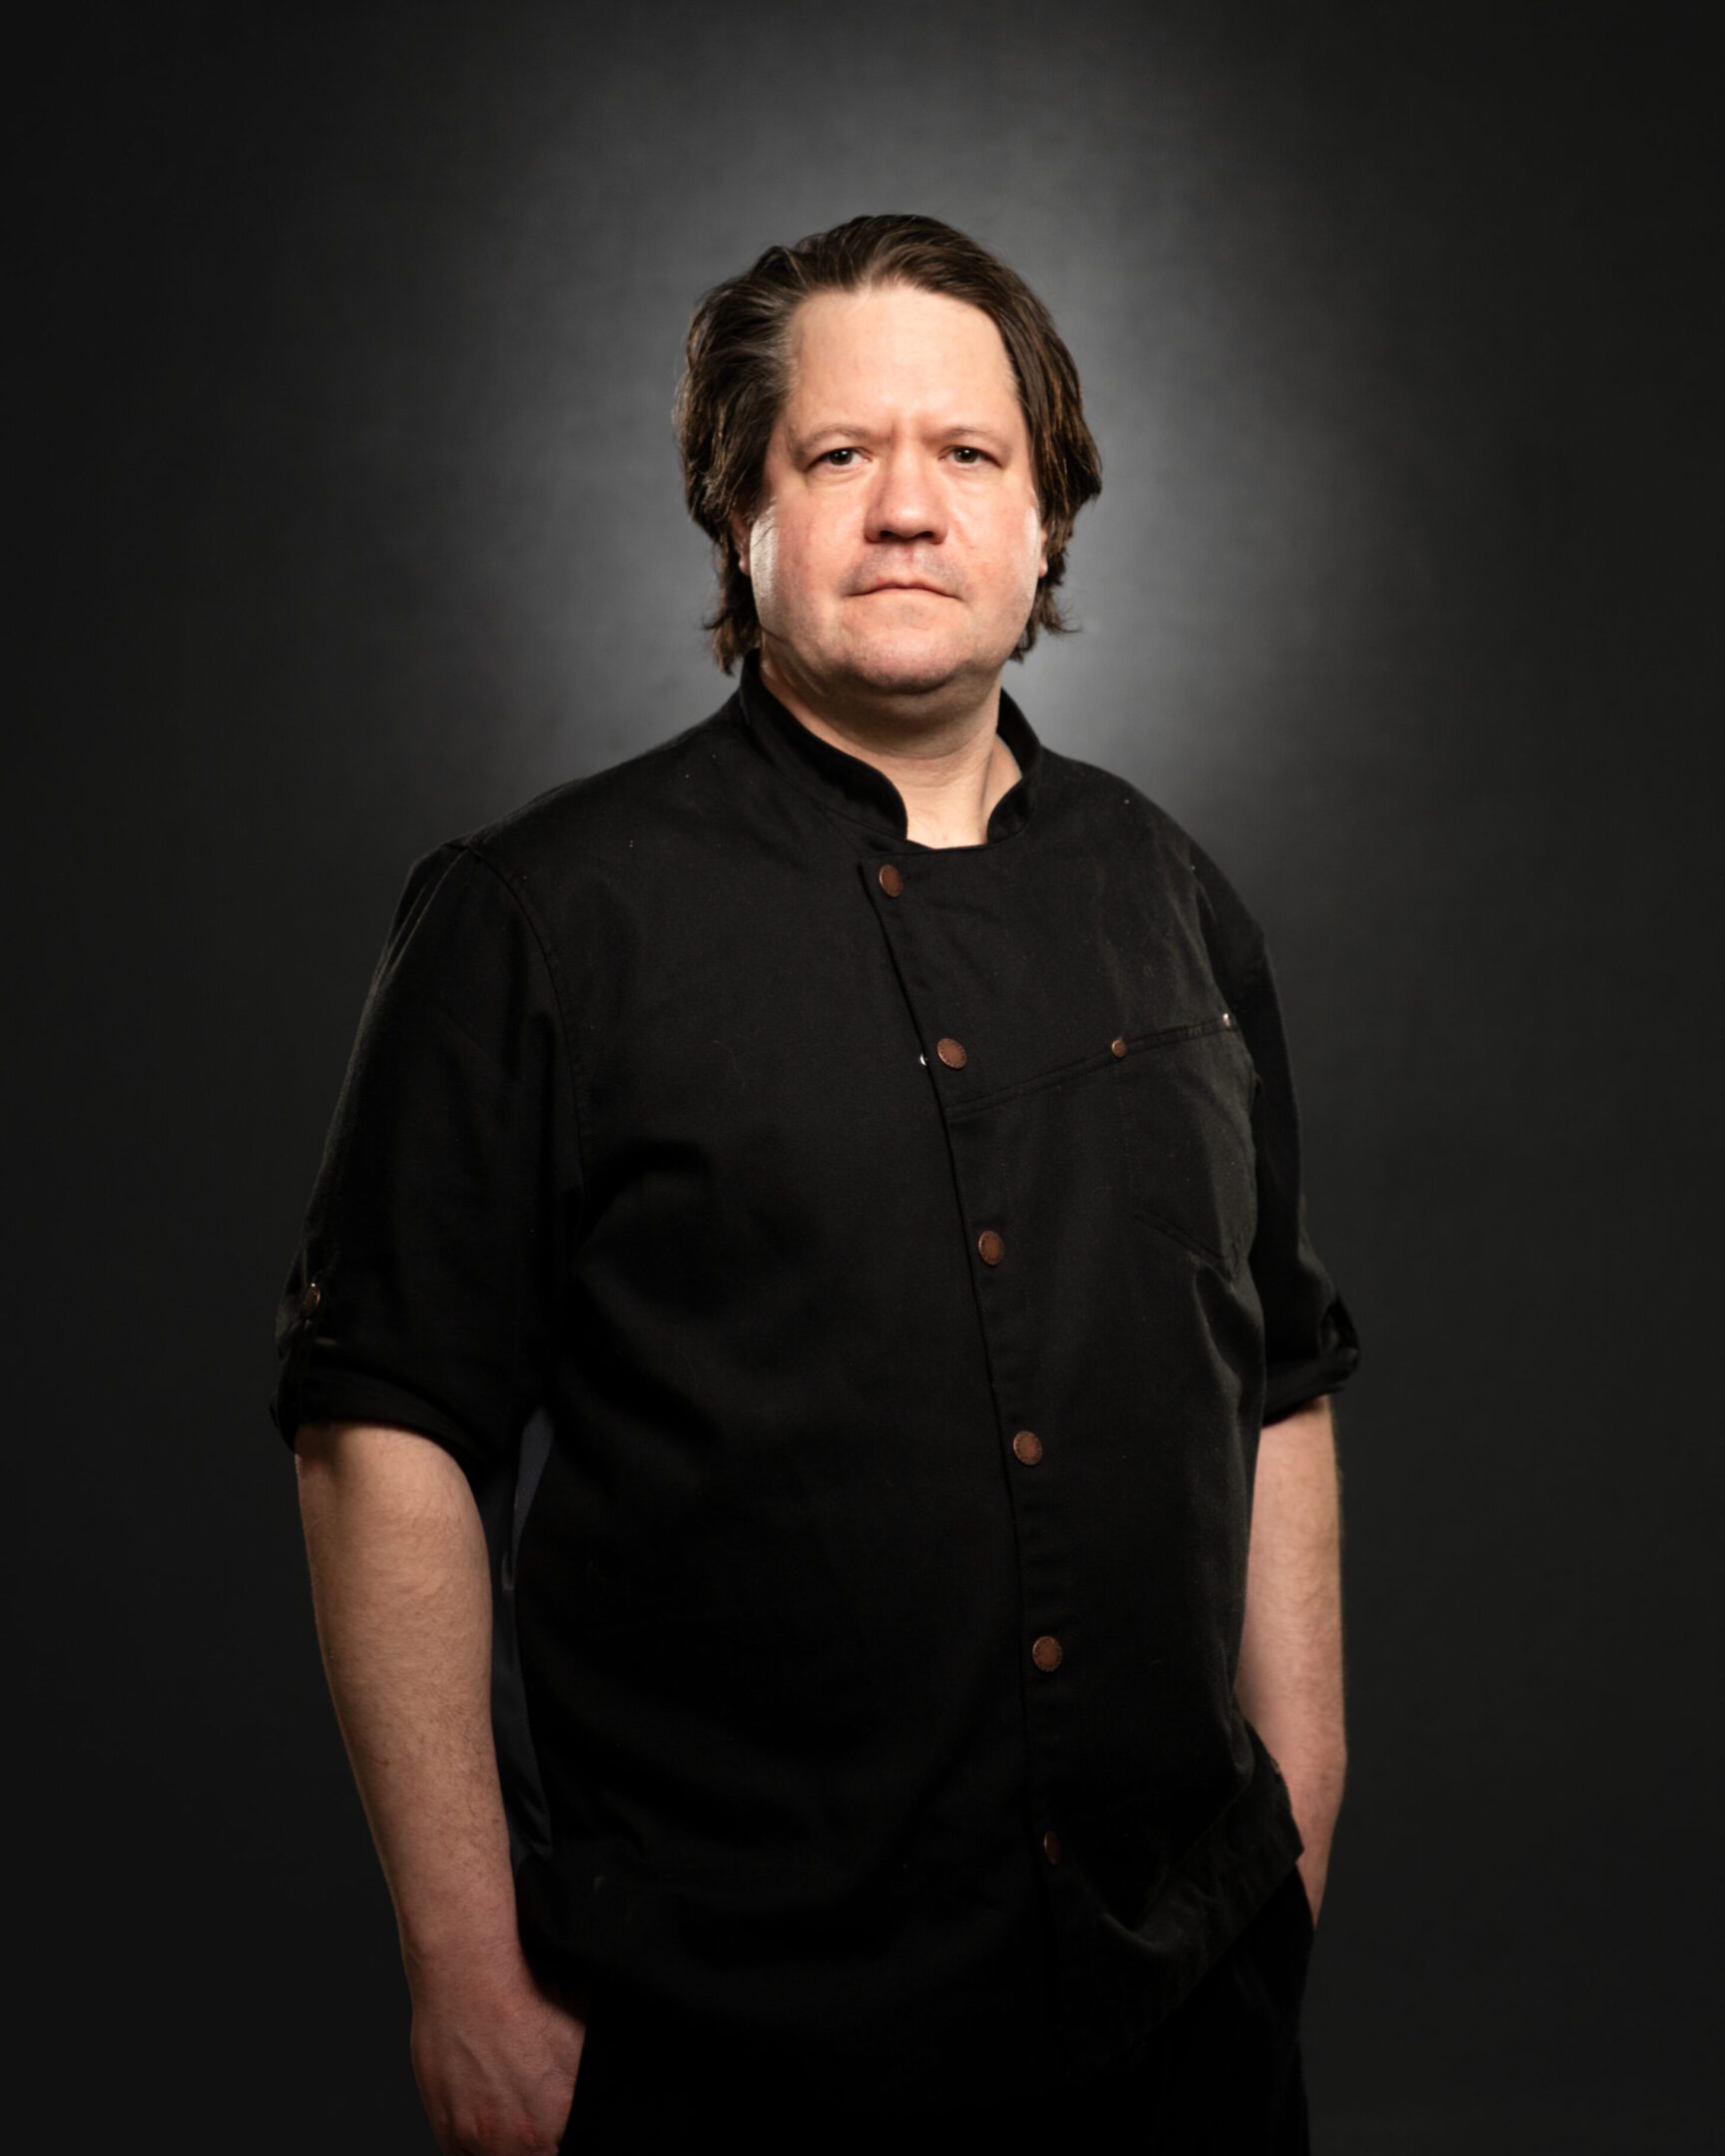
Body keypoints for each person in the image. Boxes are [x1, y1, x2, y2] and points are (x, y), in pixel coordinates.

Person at [271, 212, 1360, 2153]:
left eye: (970, 456)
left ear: (1049, 520)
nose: (909, 509)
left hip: (1182, 1997)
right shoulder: (542, 919)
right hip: (732, 2042)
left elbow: (1275, 1369)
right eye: (839, 455)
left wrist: (1307, 1789)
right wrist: (462, 1966)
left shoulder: (1173, 897)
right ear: (742, 513)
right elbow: (381, 1432)